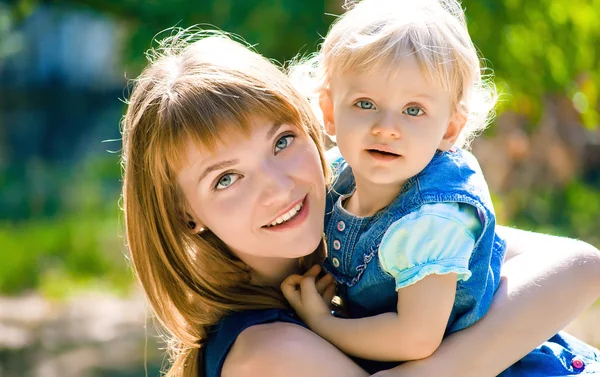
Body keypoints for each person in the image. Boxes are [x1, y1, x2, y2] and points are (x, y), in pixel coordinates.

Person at [120, 29, 600, 377]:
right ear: (184, 214)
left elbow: (578, 266)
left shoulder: (361, 211)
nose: (277, 186)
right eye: (226, 178)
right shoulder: (267, 353)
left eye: (283, 142)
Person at [280, 0, 503, 364]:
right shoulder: (335, 176)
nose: (386, 127)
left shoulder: (436, 216)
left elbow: (415, 339)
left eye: (413, 110)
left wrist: (323, 322)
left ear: (449, 128)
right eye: (365, 103)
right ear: (330, 112)